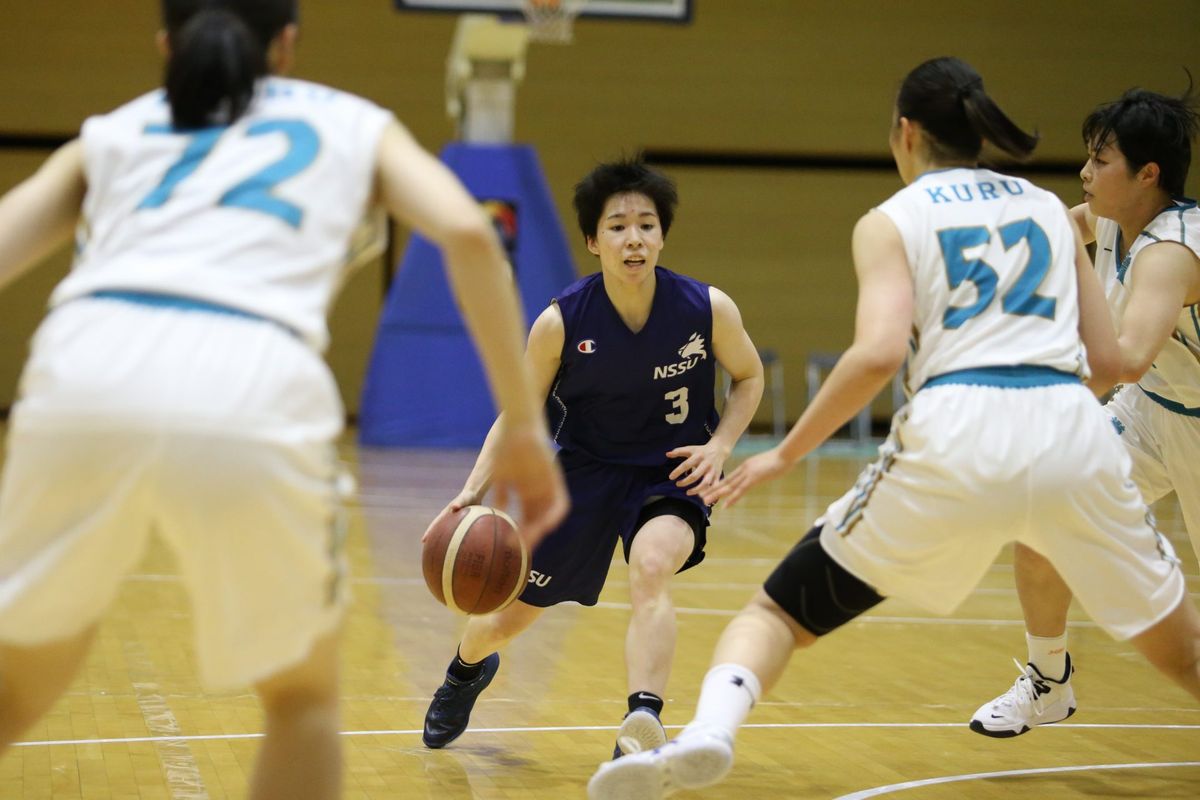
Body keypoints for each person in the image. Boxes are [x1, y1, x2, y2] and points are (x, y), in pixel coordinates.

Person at [587, 57, 1200, 800]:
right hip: (1072, 428)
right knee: (1182, 651)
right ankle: (1049, 676)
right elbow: (1107, 361)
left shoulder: (891, 219)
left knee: (778, 612)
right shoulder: (1048, 207)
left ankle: (711, 731)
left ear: (906, 133)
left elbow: (877, 354)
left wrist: (783, 452)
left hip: (954, 428)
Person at [0, 2, 567, 799]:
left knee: (19, 682)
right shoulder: (352, 124)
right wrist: (523, 428)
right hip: (251, 378)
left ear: (165, 46)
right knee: (300, 701)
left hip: (82, 368)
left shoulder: (113, 132)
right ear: (289, 44)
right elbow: (473, 237)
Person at [419, 158, 764, 758]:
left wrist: (721, 445)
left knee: (651, 565)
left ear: (662, 236)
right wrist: (472, 491)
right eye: (618, 226)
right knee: (508, 615)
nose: (634, 239)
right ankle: (465, 671)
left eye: (647, 225)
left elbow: (749, 376)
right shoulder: (561, 322)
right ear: (592, 241)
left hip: (671, 470)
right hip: (585, 473)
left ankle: (642, 720)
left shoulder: (707, 308)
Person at [970, 86, 1200, 737]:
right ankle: (1048, 682)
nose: (1085, 172)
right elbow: (1049, 231)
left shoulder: (1171, 253)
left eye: (1100, 161)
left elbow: (1126, 359)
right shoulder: (1107, 221)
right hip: (1154, 409)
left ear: (1148, 174)